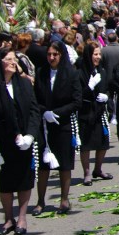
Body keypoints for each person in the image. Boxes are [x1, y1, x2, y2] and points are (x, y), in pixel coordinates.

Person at [0, 49, 41, 235]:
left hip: (25, 141)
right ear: (0, 63)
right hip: (3, 142)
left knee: (24, 178)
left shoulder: (24, 84)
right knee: (5, 181)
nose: (14, 62)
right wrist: (12, 136)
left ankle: (22, 217)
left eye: (15, 59)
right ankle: (8, 218)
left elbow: (34, 110)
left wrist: (30, 135)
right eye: (9, 59)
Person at [34, 40, 82, 215]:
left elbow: (76, 101)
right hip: (44, 125)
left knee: (64, 164)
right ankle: (40, 201)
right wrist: (44, 112)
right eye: (49, 54)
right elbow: (35, 99)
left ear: (61, 55)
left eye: (55, 54)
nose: (52, 57)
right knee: (43, 166)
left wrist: (57, 113)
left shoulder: (71, 74)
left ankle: (64, 199)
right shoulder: (41, 73)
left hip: (63, 124)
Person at [78, 41, 113, 185]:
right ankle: (86, 173)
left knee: (103, 143)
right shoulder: (80, 72)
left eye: (99, 54)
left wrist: (106, 97)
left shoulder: (102, 71)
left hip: (99, 111)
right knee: (86, 144)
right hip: (86, 112)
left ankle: (98, 169)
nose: (98, 57)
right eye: (95, 54)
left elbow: (107, 88)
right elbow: (78, 94)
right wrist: (90, 87)